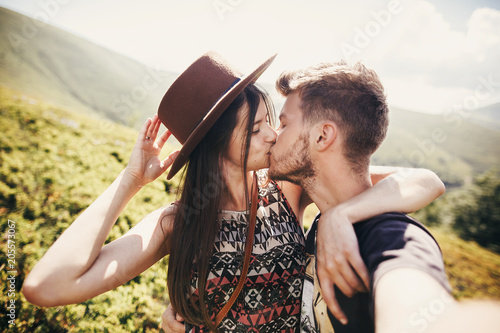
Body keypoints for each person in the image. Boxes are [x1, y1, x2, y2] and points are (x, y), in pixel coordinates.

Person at [23, 52, 444, 333]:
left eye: (273, 122)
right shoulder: (177, 223)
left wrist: (340, 215)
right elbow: (47, 287)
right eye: (257, 128)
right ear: (217, 142)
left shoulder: (288, 189)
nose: (273, 135)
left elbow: (423, 180)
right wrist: (129, 181)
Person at [267, 60, 500, 332]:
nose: (273, 135)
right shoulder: (324, 217)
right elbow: (426, 180)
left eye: (283, 125)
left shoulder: (389, 237)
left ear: (322, 136)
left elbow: (417, 308)